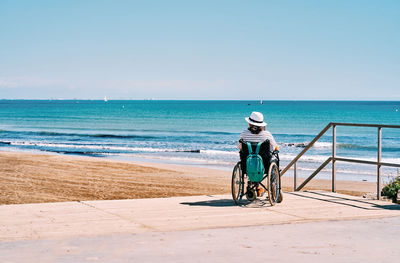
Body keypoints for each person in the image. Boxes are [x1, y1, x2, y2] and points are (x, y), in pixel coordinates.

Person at [238, 111, 279, 196]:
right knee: (275, 159)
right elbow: (274, 147)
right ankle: (273, 186)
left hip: (247, 165)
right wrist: (276, 149)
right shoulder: (267, 134)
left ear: (249, 124)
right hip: (264, 165)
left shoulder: (244, 133)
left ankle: (255, 185)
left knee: (252, 159)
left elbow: (240, 147)